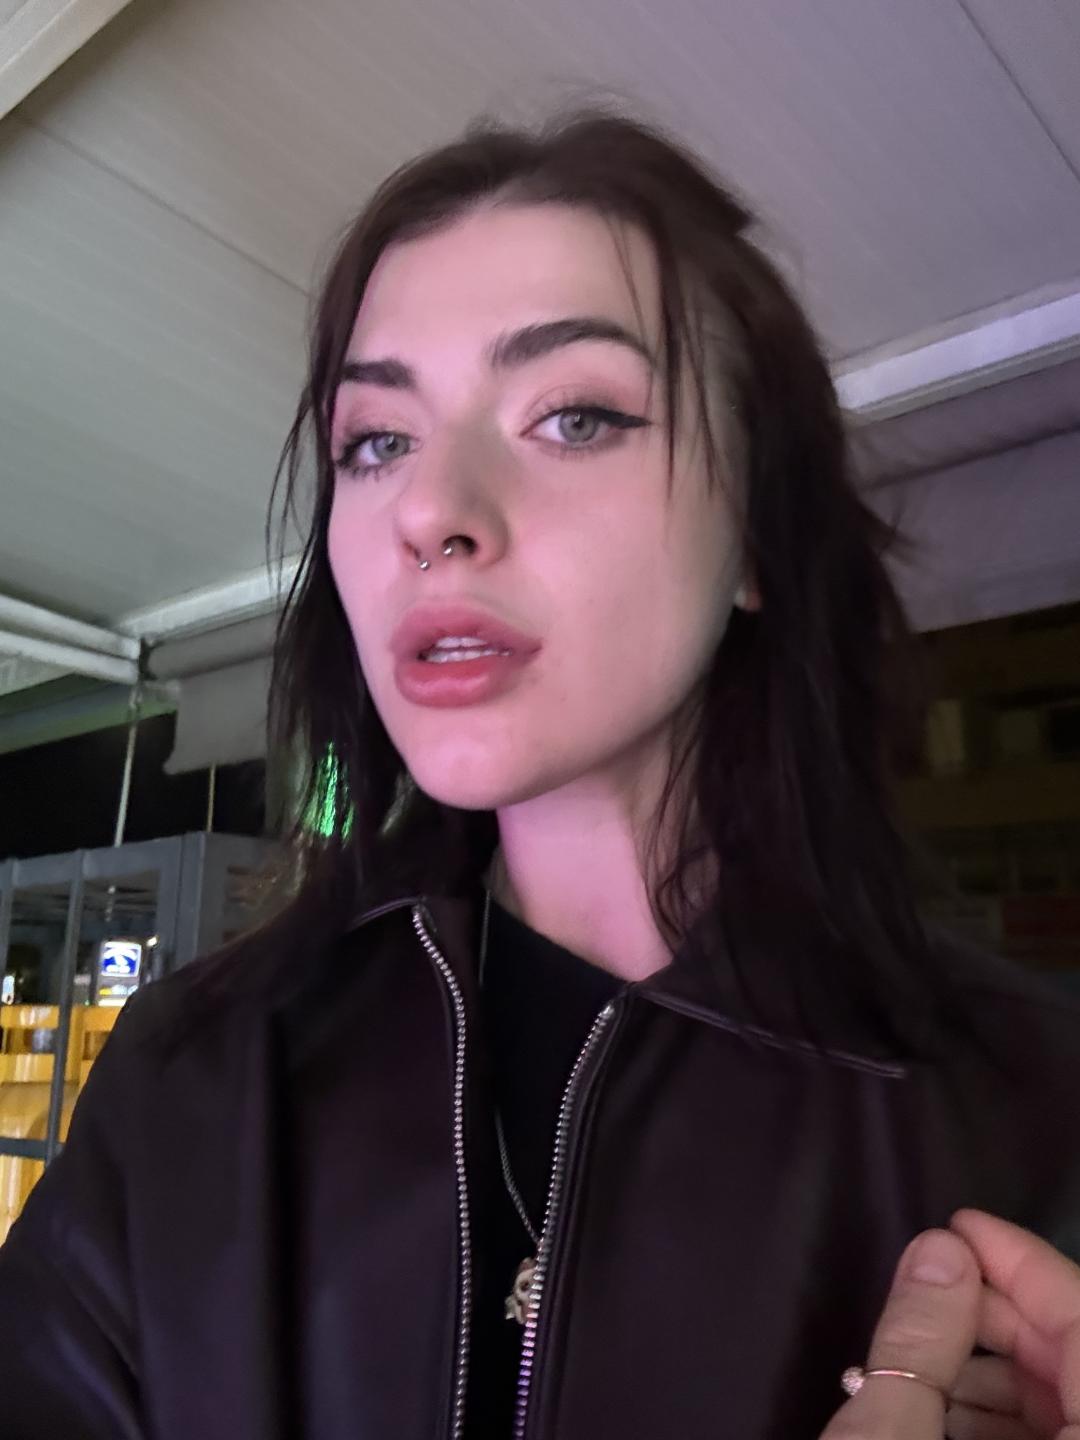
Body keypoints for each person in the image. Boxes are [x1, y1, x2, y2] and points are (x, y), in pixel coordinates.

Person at [0, 110, 1079, 1440]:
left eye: (574, 416)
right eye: (376, 441)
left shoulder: (1032, 1109)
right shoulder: (191, 1084)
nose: (429, 511)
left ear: (757, 532)